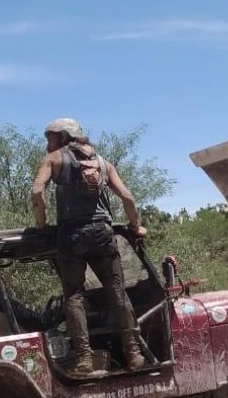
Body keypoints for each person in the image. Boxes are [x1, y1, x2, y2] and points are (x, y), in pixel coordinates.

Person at [31, 117, 147, 377]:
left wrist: (41, 223)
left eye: (50, 137)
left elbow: (37, 191)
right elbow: (127, 197)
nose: (48, 143)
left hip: (71, 235)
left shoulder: (54, 160)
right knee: (117, 292)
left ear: (63, 137)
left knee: (74, 296)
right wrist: (136, 226)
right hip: (103, 234)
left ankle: (83, 358)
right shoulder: (103, 163)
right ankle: (134, 354)